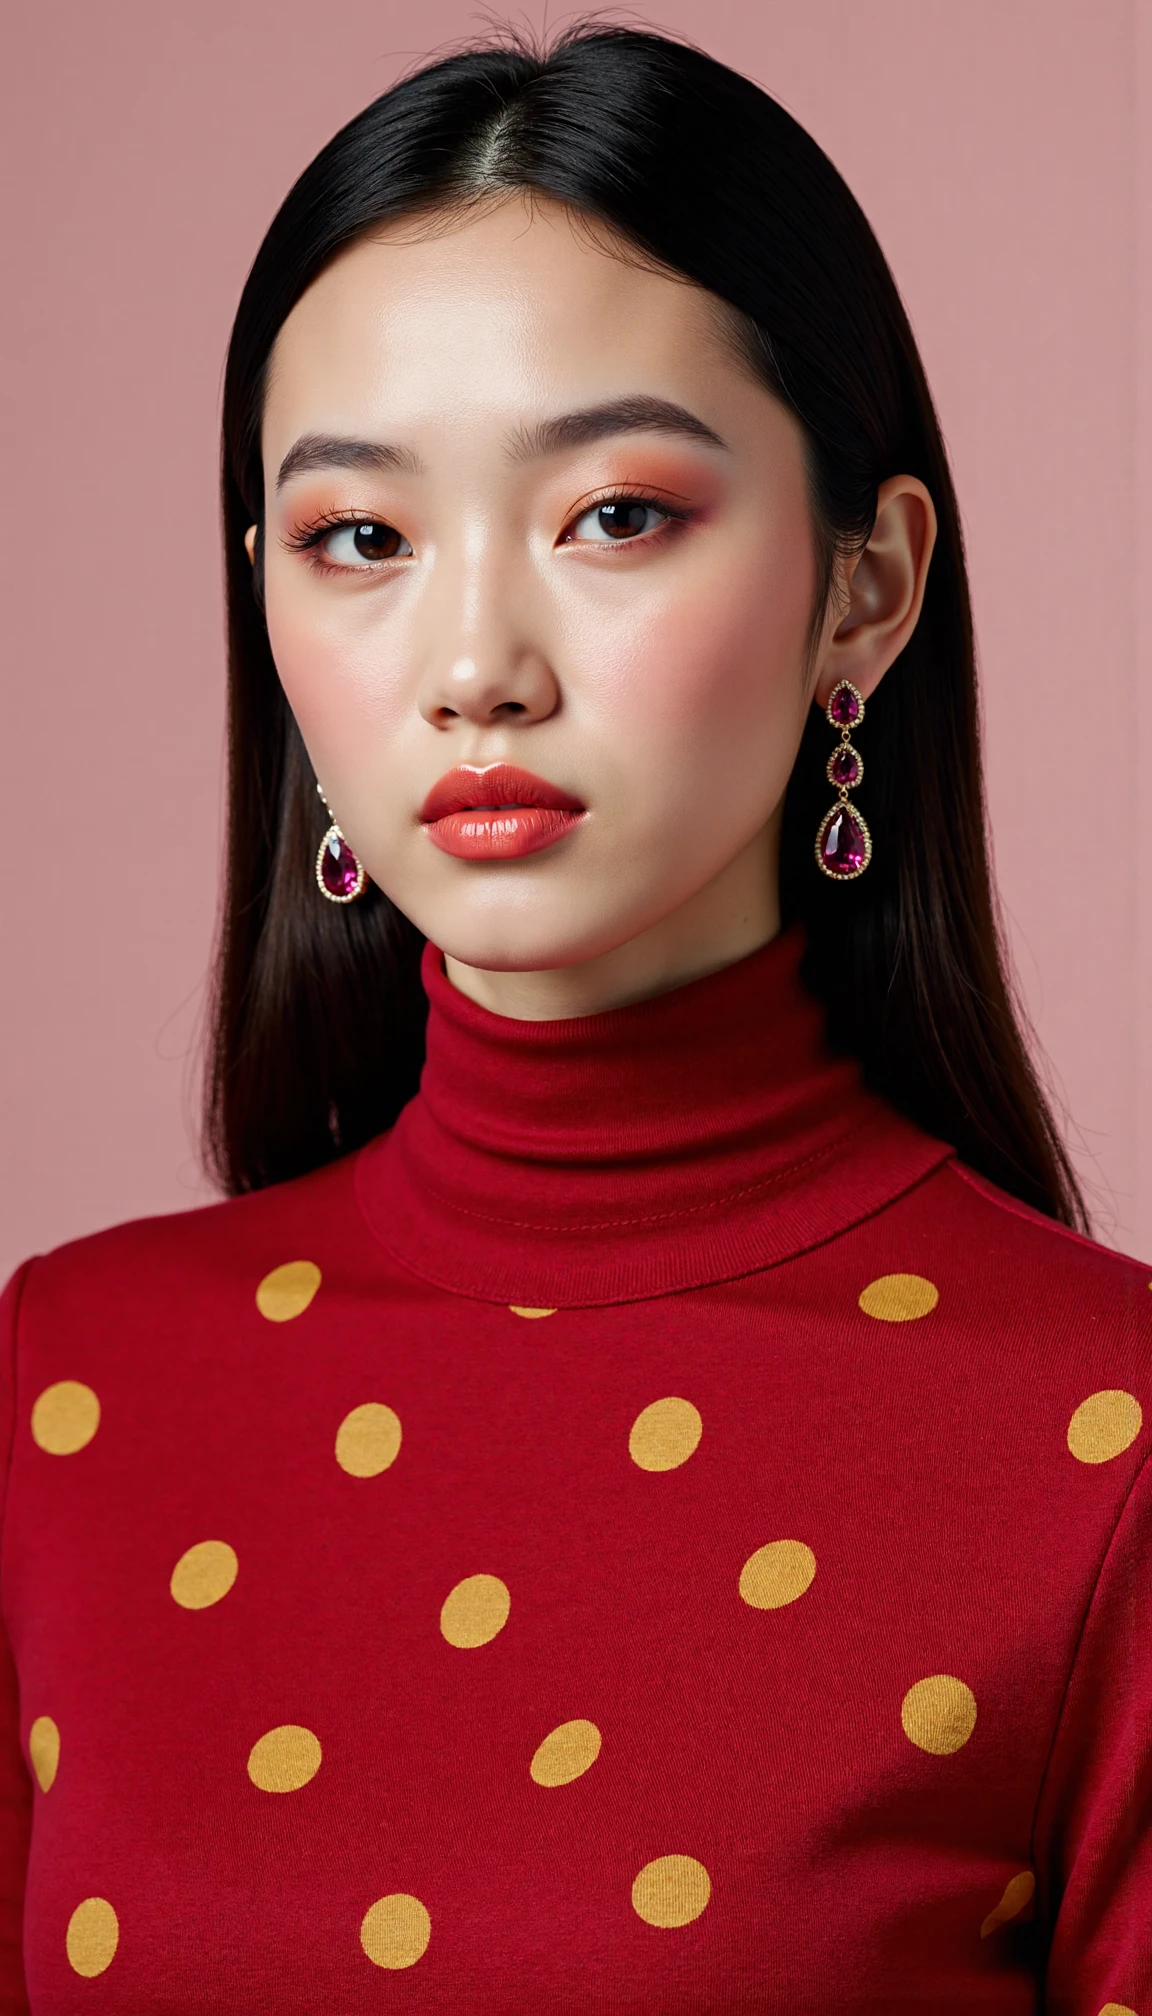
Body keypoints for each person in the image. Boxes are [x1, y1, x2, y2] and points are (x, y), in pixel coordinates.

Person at [1, 23, 1146, 2013]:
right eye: (362, 539)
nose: (475, 665)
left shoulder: (1106, 1445)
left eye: (614, 513)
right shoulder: (64, 1393)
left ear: (868, 587)